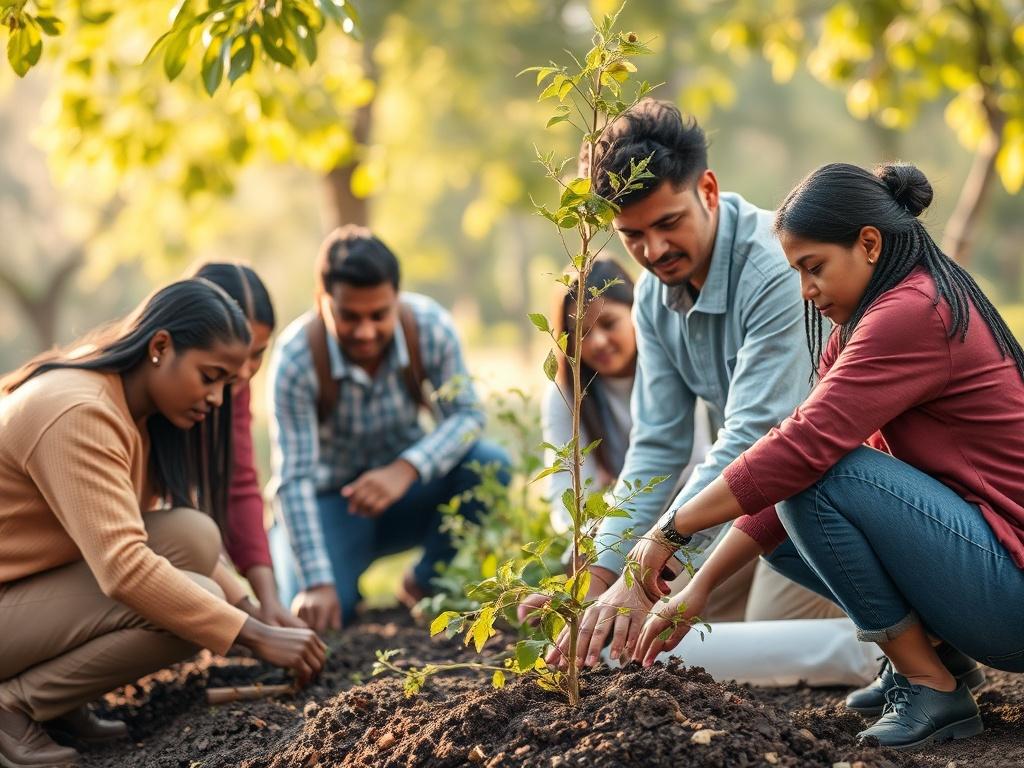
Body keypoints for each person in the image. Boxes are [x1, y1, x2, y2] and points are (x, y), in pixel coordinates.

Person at [628, 162, 1024, 749]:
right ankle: (937, 662)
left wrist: (669, 530)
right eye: (797, 273)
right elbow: (784, 473)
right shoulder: (860, 326)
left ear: (868, 243)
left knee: (813, 476)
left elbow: (803, 452)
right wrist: (700, 587)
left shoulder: (915, 311)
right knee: (787, 514)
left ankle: (929, 684)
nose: (806, 291)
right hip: (982, 574)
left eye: (814, 268)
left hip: (1009, 591)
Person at [542, 98, 840, 667]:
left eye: (667, 223)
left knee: (764, 640)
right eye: (632, 235)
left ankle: (917, 645)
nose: (653, 251)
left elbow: (755, 435)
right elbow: (658, 446)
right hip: (746, 505)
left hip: (818, 494)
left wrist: (646, 563)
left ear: (706, 189)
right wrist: (601, 576)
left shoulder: (773, 270)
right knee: (627, 640)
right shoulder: (654, 297)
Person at [0, 280, 325, 768]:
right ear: (160, 347)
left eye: (226, 385)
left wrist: (252, 608)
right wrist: (252, 635)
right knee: (196, 607)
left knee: (194, 536)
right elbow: (124, 569)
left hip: (21, 596)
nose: (216, 398)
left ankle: (57, 702)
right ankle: (15, 704)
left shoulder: (128, 403)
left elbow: (145, 535)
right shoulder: (79, 411)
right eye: (209, 376)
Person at [269, 225, 509, 632]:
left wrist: (407, 469)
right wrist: (317, 582)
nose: (365, 332)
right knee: (319, 614)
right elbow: (292, 480)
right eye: (349, 317)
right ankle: (340, 581)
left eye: (379, 315)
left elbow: (468, 417)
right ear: (321, 301)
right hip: (331, 504)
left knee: (490, 464)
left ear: (396, 298)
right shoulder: (295, 360)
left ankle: (426, 581)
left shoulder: (430, 327)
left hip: (410, 492)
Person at [541, 258, 712, 533]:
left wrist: (616, 507)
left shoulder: (673, 368)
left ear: (637, 313)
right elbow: (566, 488)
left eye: (608, 323)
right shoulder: (565, 394)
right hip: (608, 529)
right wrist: (588, 531)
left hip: (684, 516)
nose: (597, 342)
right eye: (581, 333)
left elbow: (690, 467)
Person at [190, 262, 307, 629]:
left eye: (258, 353)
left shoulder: (234, 389)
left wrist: (268, 601)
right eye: (241, 352)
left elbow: (239, 485)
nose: (245, 370)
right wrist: (246, 614)